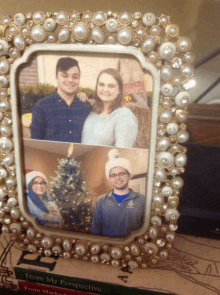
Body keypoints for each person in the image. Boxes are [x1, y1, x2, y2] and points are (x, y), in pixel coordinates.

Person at [31, 57, 91, 142]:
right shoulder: (41, 107)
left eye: (75, 77)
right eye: (65, 76)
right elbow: (35, 143)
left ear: (79, 79)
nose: (70, 80)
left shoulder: (86, 106)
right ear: (57, 78)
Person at [92, 149, 145, 238]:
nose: (118, 178)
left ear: (130, 176)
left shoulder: (142, 200)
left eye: (121, 173)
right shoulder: (101, 201)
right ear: (110, 179)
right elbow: (95, 231)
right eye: (113, 175)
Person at [82, 68, 138, 148]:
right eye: (101, 85)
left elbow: (122, 152)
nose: (105, 89)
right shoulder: (93, 110)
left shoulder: (124, 115)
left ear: (119, 90)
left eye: (111, 86)